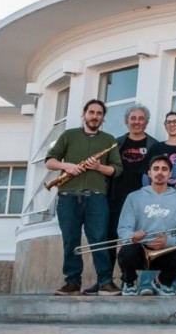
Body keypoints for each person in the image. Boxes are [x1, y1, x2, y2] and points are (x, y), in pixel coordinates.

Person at [45, 99, 123, 296]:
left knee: (99, 239)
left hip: (96, 198)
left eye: (99, 113)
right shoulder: (69, 135)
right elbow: (50, 161)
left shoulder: (109, 139)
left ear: (103, 118)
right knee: (70, 241)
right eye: (91, 112)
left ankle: (105, 282)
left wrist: (98, 167)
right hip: (68, 197)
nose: (95, 116)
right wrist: (67, 166)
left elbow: (117, 170)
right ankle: (72, 283)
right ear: (84, 114)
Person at [117, 155, 176, 296]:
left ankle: (162, 282)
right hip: (140, 250)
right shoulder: (134, 197)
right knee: (126, 251)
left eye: (164, 169)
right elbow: (123, 229)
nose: (160, 172)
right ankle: (129, 283)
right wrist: (132, 236)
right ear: (149, 173)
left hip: (165, 251)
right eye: (156, 169)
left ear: (170, 174)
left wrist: (168, 241)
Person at [106, 105, 158, 287]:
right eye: (133, 118)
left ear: (146, 122)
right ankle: (106, 282)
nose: (137, 122)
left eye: (141, 118)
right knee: (111, 239)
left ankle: (135, 282)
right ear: (127, 121)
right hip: (116, 199)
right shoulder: (116, 143)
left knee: (141, 241)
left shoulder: (154, 145)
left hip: (143, 203)